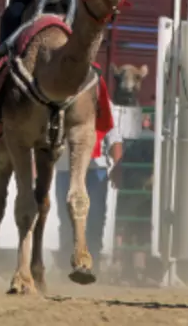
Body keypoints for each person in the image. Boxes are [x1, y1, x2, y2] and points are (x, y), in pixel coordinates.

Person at [55, 117, 123, 273]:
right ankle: (69, 264)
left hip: (94, 168)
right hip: (67, 167)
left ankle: (92, 263)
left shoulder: (102, 101)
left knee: (95, 218)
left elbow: (113, 136)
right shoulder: (60, 99)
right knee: (67, 218)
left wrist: (117, 165)